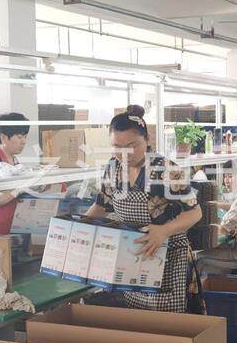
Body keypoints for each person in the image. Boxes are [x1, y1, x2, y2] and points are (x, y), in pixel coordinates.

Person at [83, 105, 202, 312]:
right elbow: (100, 206)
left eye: (132, 146)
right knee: (138, 318)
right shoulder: (113, 168)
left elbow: (195, 212)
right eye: (117, 146)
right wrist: (73, 229)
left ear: (147, 140)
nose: (125, 153)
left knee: (167, 322)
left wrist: (164, 230)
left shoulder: (166, 170)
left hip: (169, 259)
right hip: (132, 258)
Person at [0, 113, 30, 236]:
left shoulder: (15, 161)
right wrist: (18, 190)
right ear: (3, 138)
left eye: (25, 137)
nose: (24, 142)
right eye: (19, 137)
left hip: (12, 227)